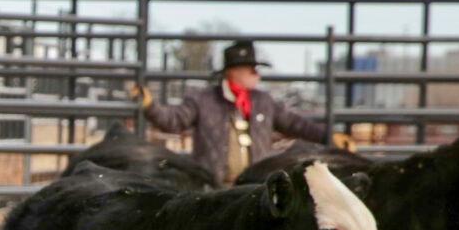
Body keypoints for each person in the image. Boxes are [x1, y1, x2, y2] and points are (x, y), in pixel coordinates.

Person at [133, 38, 353, 184]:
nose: (256, 74)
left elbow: (296, 124)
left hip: (256, 185)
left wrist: (328, 136)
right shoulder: (203, 100)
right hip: (214, 186)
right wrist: (150, 107)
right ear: (233, 71)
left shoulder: (263, 102)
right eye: (252, 69)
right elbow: (173, 120)